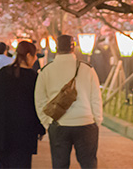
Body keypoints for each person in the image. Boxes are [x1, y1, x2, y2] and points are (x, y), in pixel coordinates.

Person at [34, 34, 102, 169]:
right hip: (85, 123)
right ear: (74, 47)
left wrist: (47, 122)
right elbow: (96, 98)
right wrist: (96, 121)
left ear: (56, 47)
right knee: (89, 164)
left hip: (59, 124)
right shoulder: (87, 69)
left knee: (60, 165)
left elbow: (39, 100)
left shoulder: (46, 71)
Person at [0, 41, 46, 168]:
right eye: (35, 55)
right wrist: (40, 126)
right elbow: (39, 103)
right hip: (25, 130)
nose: (36, 59)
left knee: (4, 164)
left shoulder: (3, 73)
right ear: (29, 56)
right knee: (22, 163)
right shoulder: (33, 77)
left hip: (3, 128)